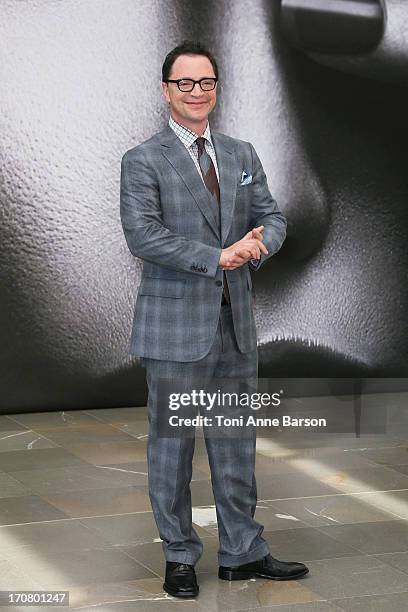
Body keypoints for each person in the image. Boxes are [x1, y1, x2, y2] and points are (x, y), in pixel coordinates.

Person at [120, 40, 309, 599]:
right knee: (172, 447)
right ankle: (179, 555)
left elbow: (271, 217)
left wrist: (257, 247)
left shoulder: (240, 153)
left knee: (235, 443)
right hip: (175, 330)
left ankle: (242, 551)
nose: (197, 92)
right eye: (186, 83)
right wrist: (216, 257)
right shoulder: (144, 158)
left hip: (235, 325)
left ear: (216, 88)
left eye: (206, 82)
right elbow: (142, 235)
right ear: (166, 90)